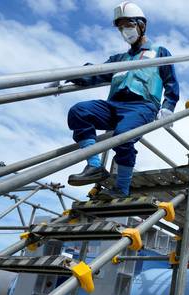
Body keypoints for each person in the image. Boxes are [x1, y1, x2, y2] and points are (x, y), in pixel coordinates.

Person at [66, 1, 179, 200]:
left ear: (141, 25)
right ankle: (94, 167)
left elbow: (171, 81)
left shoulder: (159, 52)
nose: (125, 31)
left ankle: (121, 189)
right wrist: (65, 76)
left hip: (142, 106)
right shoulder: (119, 59)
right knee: (79, 111)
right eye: (121, 28)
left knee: (123, 136)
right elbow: (94, 74)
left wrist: (168, 106)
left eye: (128, 25)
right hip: (113, 105)